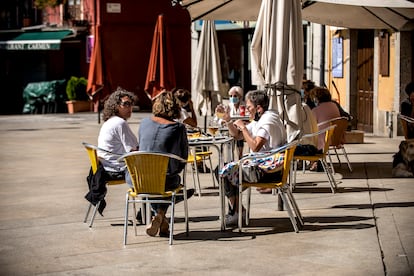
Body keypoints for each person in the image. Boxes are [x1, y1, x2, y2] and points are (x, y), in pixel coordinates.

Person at [218, 90, 287, 226]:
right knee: (225, 170)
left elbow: (255, 146)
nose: (247, 110)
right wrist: (228, 120)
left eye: (249, 107)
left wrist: (243, 128)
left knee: (222, 172)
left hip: (267, 172)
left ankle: (238, 212)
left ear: (258, 108)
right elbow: (237, 135)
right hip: (265, 167)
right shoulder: (261, 120)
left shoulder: (268, 120)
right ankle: (238, 211)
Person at [138, 91, 194, 237]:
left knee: (154, 183)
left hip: (139, 180)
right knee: (170, 181)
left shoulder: (144, 123)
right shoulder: (178, 128)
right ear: (175, 107)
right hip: (165, 181)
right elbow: (183, 157)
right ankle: (161, 214)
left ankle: (160, 220)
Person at [97, 87, 139, 187]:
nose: (130, 108)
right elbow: (133, 150)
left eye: (131, 104)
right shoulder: (120, 123)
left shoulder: (110, 121)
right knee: (154, 167)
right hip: (115, 169)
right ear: (115, 106)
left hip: (105, 167)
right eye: (126, 104)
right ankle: (158, 199)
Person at [310, 87, 341, 171]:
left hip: (324, 139)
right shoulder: (334, 106)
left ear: (317, 98)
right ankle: (316, 162)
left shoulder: (316, 110)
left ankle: (313, 162)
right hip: (335, 137)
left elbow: (311, 125)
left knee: (307, 138)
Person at [216, 86, 246, 159]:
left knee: (239, 136)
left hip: (240, 130)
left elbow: (247, 118)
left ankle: (240, 157)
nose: (233, 97)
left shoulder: (244, 105)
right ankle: (230, 160)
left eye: (235, 96)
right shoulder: (227, 106)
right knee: (230, 138)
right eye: (231, 96)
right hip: (229, 130)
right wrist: (223, 120)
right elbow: (219, 119)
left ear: (240, 96)